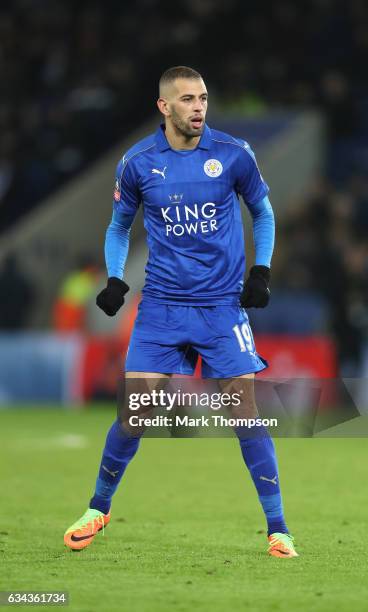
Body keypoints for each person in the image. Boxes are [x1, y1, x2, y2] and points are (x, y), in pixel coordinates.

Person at [64, 66, 298, 558]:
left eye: (204, 98)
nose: (199, 107)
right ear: (164, 107)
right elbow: (118, 226)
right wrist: (114, 277)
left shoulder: (234, 154)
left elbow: (264, 212)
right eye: (188, 99)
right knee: (136, 412)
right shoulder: (139, 162)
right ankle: (98, 507)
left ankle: (278, 529)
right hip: (163, 307)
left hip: (221, 307)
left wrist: (261, 270)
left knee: (245, 414)